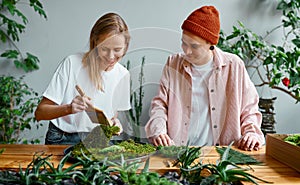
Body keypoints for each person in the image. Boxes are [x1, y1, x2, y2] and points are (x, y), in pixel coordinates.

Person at [145, 6, 265, 151]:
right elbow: (160, 105)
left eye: (194, 46)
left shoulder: (234, 65)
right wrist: (159, 130)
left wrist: (251, 133)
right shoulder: (173, 63)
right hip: (178, 152)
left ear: (211, 44)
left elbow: (249, 108)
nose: (187, 51)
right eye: (184, 43)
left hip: (222, 154)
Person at [35, 13, 131, 145]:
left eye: (117, 50)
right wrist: (69, 108)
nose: (111, 56)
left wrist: (114, 123)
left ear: (126, 47)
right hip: (63, 138)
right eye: (104, 49)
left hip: (97, 139)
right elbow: (40, 113)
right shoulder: (72, 63)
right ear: (95, 41)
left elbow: (112, 116)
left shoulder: (123, 75)